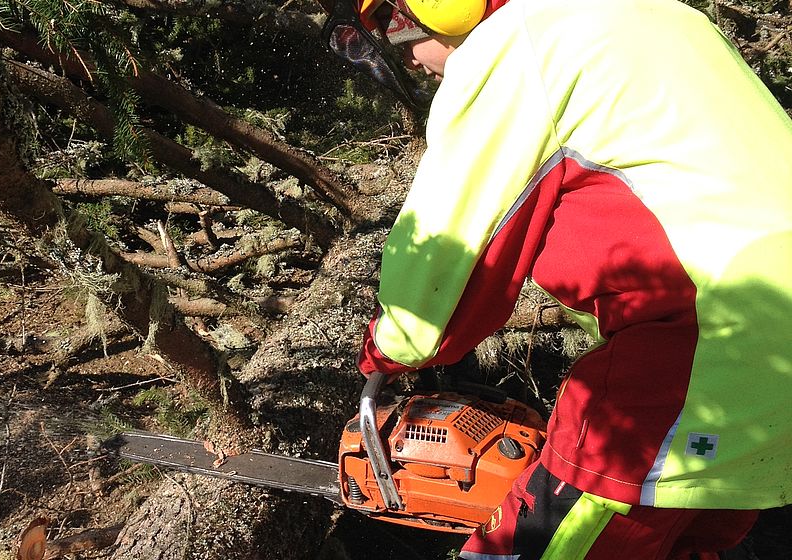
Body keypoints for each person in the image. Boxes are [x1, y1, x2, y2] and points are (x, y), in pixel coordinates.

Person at [317, 0, 792, 557]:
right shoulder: (661, 14)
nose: (412, 61)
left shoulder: (518, 45)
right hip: (761, 375)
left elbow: (449, 256)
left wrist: (386, 349)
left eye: (393, 29)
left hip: (702, 347)